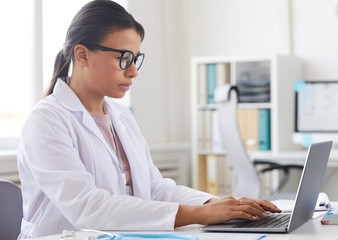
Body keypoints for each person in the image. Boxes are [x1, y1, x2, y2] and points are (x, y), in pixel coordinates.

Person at [17, 0, 281, 238]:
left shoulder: (120, 116)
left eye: (136, 59)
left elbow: (155, 189)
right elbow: (88, 208)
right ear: (82, 54)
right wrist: (201, 215)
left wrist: (218, 205)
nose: (133, 72)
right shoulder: (46, 121)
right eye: (124, 59)